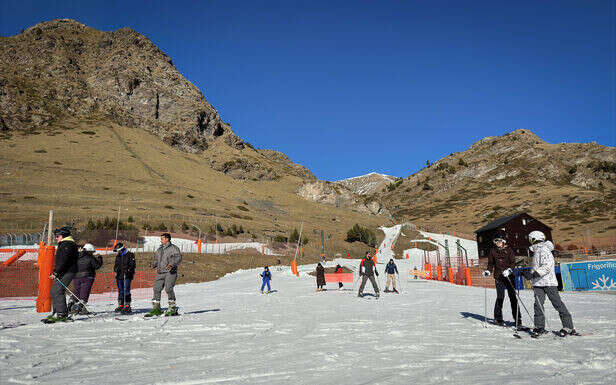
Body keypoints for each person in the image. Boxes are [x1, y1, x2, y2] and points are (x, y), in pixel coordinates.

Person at [523, 231, 577, 337]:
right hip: (538, 283)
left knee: (557, 304)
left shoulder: (544, 250)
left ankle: (569, 327)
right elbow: (538, 267)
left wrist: (534, 274)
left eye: (530, 239)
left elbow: (547, 266)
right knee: (538, 305)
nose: (529, 241)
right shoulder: (537, 251)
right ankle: (539, 327)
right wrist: (528, 273)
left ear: (534, 239)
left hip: (548, 282)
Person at [483, 234, 521, 327]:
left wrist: (509, 270)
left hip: (509, 276)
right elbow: (491, 263)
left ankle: (517, 319)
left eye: (498, 241)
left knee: (512, 297)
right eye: (495, 241)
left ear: (503, 241)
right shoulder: (493, 251)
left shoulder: (509, 250)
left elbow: (513, 262)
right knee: (500, 297)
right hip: (498, 276)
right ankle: (498, 318)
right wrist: (488, 270)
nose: (497, 243)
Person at [43, 226, 79, 323]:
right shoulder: (64, 244)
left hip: (68, 271)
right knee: (54, 291)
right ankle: (57, 312)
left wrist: (56, 272)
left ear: (63, 236)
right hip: (63, 271)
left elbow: (64, 260)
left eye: (57, 236)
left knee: (57, 290)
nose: (56, 238)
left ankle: (62, 314)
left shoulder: (67, 244)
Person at [146, 233, 182, 317]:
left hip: (170, 272)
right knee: (156, 289)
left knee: (168, 288)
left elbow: (178, 258)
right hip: (160, 272)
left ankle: (172, 307)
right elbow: (156, 259)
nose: (160, 240)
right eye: (161, 238)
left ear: (167, 239)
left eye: (162, 238)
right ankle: (156, 308)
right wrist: (153, 265)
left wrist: (171, 264)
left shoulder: (173, 248)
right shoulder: (159, 249)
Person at [68, 243, 103, 315]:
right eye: (92, 252)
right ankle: (79, 308)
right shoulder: (90, 257)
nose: (93, 253)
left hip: (76, 277)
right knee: (84, 294)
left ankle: (70, 305)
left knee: (76, 292)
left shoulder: (77, 256)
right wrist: (100, 258)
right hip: (87, 277)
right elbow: (97, 266)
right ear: (89, 251)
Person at [113, 242, 136, 314]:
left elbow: (132, 265)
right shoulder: (118, 256)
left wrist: (128, 270)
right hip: (119, 276)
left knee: (126, 290)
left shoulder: (130, 255)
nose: (117, 252)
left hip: (127, 275)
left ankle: (127, 305)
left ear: (122, 249)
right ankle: (121, 304)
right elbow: (116, 265)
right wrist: (115, 269)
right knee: (120, 291)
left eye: (118, 250)